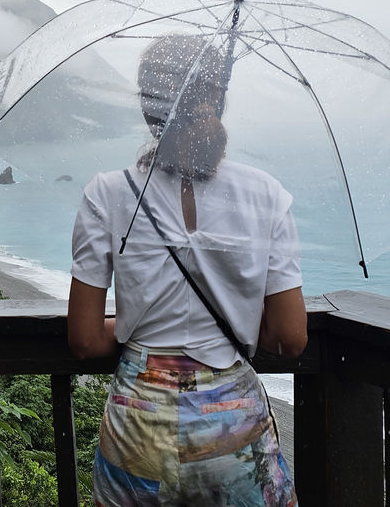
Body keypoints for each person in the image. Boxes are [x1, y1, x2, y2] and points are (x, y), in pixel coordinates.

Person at [67, 34, 307, 507]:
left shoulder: (107, 194)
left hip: (139, 424)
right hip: (233, 428)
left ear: (147, 109)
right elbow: (290, 337)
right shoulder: (266, 195)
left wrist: (133, 325)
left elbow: (85, 339)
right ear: (217, 99)